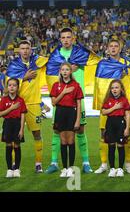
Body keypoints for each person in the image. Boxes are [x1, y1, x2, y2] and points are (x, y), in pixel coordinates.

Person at [45, 27, 100, 174]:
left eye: (68, 37)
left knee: (81, 130)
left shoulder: (81, 54)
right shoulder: (55, 56)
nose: (66, 40)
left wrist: (78, 66)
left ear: (73, 38)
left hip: (77, 100)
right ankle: (54, 162)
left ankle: (86, 163)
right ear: (60, 39)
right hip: (61, 100)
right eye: (63, 37)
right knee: (57, 131)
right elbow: (49, 73)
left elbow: (97, 60)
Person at [94, 39, 130, 175]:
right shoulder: (102, 64)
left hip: (123, 106)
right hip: (108, 105)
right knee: (103, 135)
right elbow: (99, 84)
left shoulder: (127, 63)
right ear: (107, 49)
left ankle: (127, 164)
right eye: (111, 46)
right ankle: (104, 164)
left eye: (116, 46)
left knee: (127, 134)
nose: (113, 48)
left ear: (120, 49)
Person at [6, 40, 48, 173]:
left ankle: (38, 164)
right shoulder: (13, 65)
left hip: (34, 104)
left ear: (31, 50)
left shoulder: (37, 61)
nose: (25, 51)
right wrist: (24, 77)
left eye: (27, 48)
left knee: (37, 134)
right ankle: (13, 164)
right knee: (14, 137)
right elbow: (7, 87)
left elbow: (53, 60)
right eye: (22, 48)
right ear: (19, 50)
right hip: (17, 104)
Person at [50, 63, 83, 178]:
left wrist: (78, 120)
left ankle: (71, 168)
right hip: (60, 113)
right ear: (60, 71)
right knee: (63, 141)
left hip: (71, 113)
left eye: (67, 69)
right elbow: (54, 103)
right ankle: (64, 168)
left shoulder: (76, 85)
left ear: (70, 72)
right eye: (63, 69)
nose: (65, 72)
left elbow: (79, 104)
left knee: (71, 140)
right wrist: (63, 92)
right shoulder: (56, 85)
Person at [101, 80, 130, 178]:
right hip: (110, 123)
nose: (114, 89)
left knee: (121, 146)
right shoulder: (108, 100)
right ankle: (112, 168)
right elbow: (104, 112)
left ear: (121, 89)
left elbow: (127, 114)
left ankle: (120, 168)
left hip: (121, 124)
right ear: (110, 89)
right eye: (113, 88)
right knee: (111, 146)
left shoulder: (124, 100)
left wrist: (127, 128)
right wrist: (114, 107)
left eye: (117, 87)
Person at [0, 78, 27, 178]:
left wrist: (21, 129)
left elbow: (23, 115)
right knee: (8, 146)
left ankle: (17, 169)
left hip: (17, 124)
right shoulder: (4, 100)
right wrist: (11, 108)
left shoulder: (20, 100)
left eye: (14, 85)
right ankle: (9, 170)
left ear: (17, 87)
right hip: (7, 124)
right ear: (7, 87)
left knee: (17, 146)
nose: (11, 87)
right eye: (10, 85)